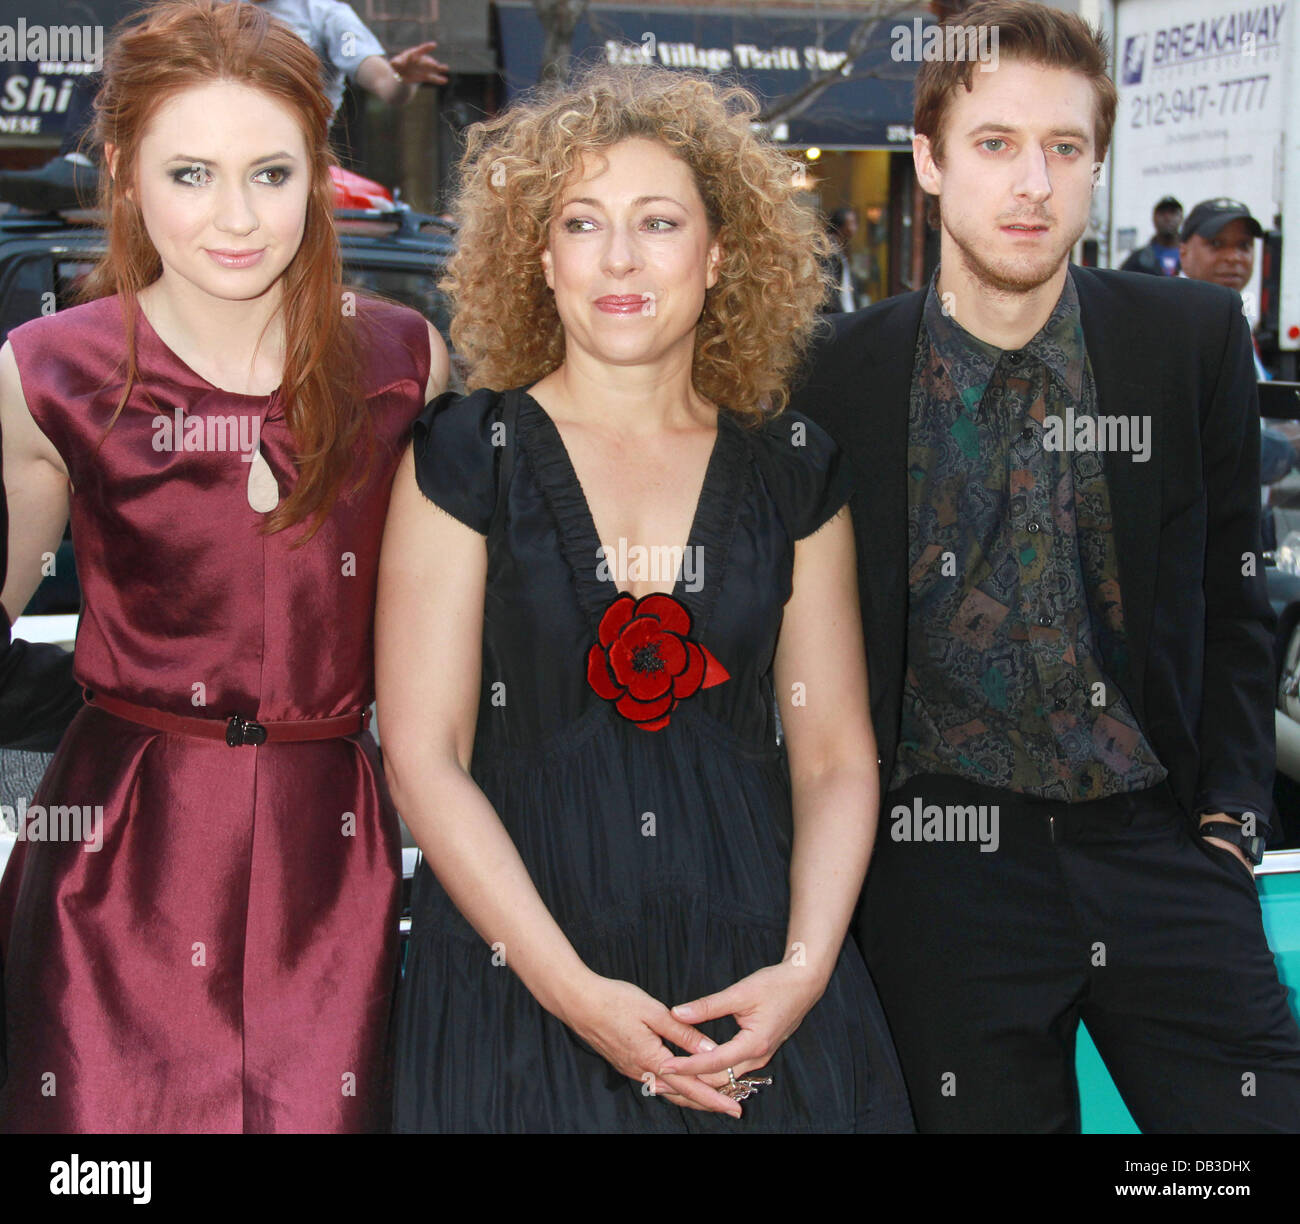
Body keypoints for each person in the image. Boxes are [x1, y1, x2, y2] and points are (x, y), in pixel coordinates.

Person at [788, 0, 1300, 1133]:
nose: (1032, 183)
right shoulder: (831, 378)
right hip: (941, 864)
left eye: (1064, 149)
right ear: (926, 160)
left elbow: (1235, 589)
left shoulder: (1188, 343)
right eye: (995, 144)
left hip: (1154, 841)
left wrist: (1227, 814)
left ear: (1097, 165)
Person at [376, 64, 913, 1133]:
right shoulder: (462, 455)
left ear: (719, 255)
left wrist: (803, 975)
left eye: (657, 221)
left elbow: (837, 756)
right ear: (540, 256)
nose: (619, 257)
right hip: (514, 980)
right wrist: (573, 996)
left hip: (752, 983)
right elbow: (422, 757)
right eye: (582, 222)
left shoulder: (794, 469)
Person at [0, 0, 449, 1133]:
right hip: (116, 867)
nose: (236, 219)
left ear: (319, 172)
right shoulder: (49, 373)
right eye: (191, 174)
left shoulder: (405, 361)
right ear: (123, 169)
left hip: (330, 861)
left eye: (271, 173)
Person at [0, 0, 450, 215]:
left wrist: (398, 79)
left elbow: (384, 84)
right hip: (198, 142)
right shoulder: (192, 11)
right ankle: (77, 167)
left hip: (282, 155)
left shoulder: (323, 13)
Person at [1119, 195, 1181, 276]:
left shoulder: (1193, 258)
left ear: (1181, 218)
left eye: (1172, 212)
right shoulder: (1139, 259)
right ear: (1154, 218)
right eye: (1162, 213)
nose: (1167, 218)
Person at [819, 206, 858, 313]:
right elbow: (829, 289)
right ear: (842, 226)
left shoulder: (840, 249)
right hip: (837, 317)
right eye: (852, 223)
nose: (855, 228)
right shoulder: (829, 250)